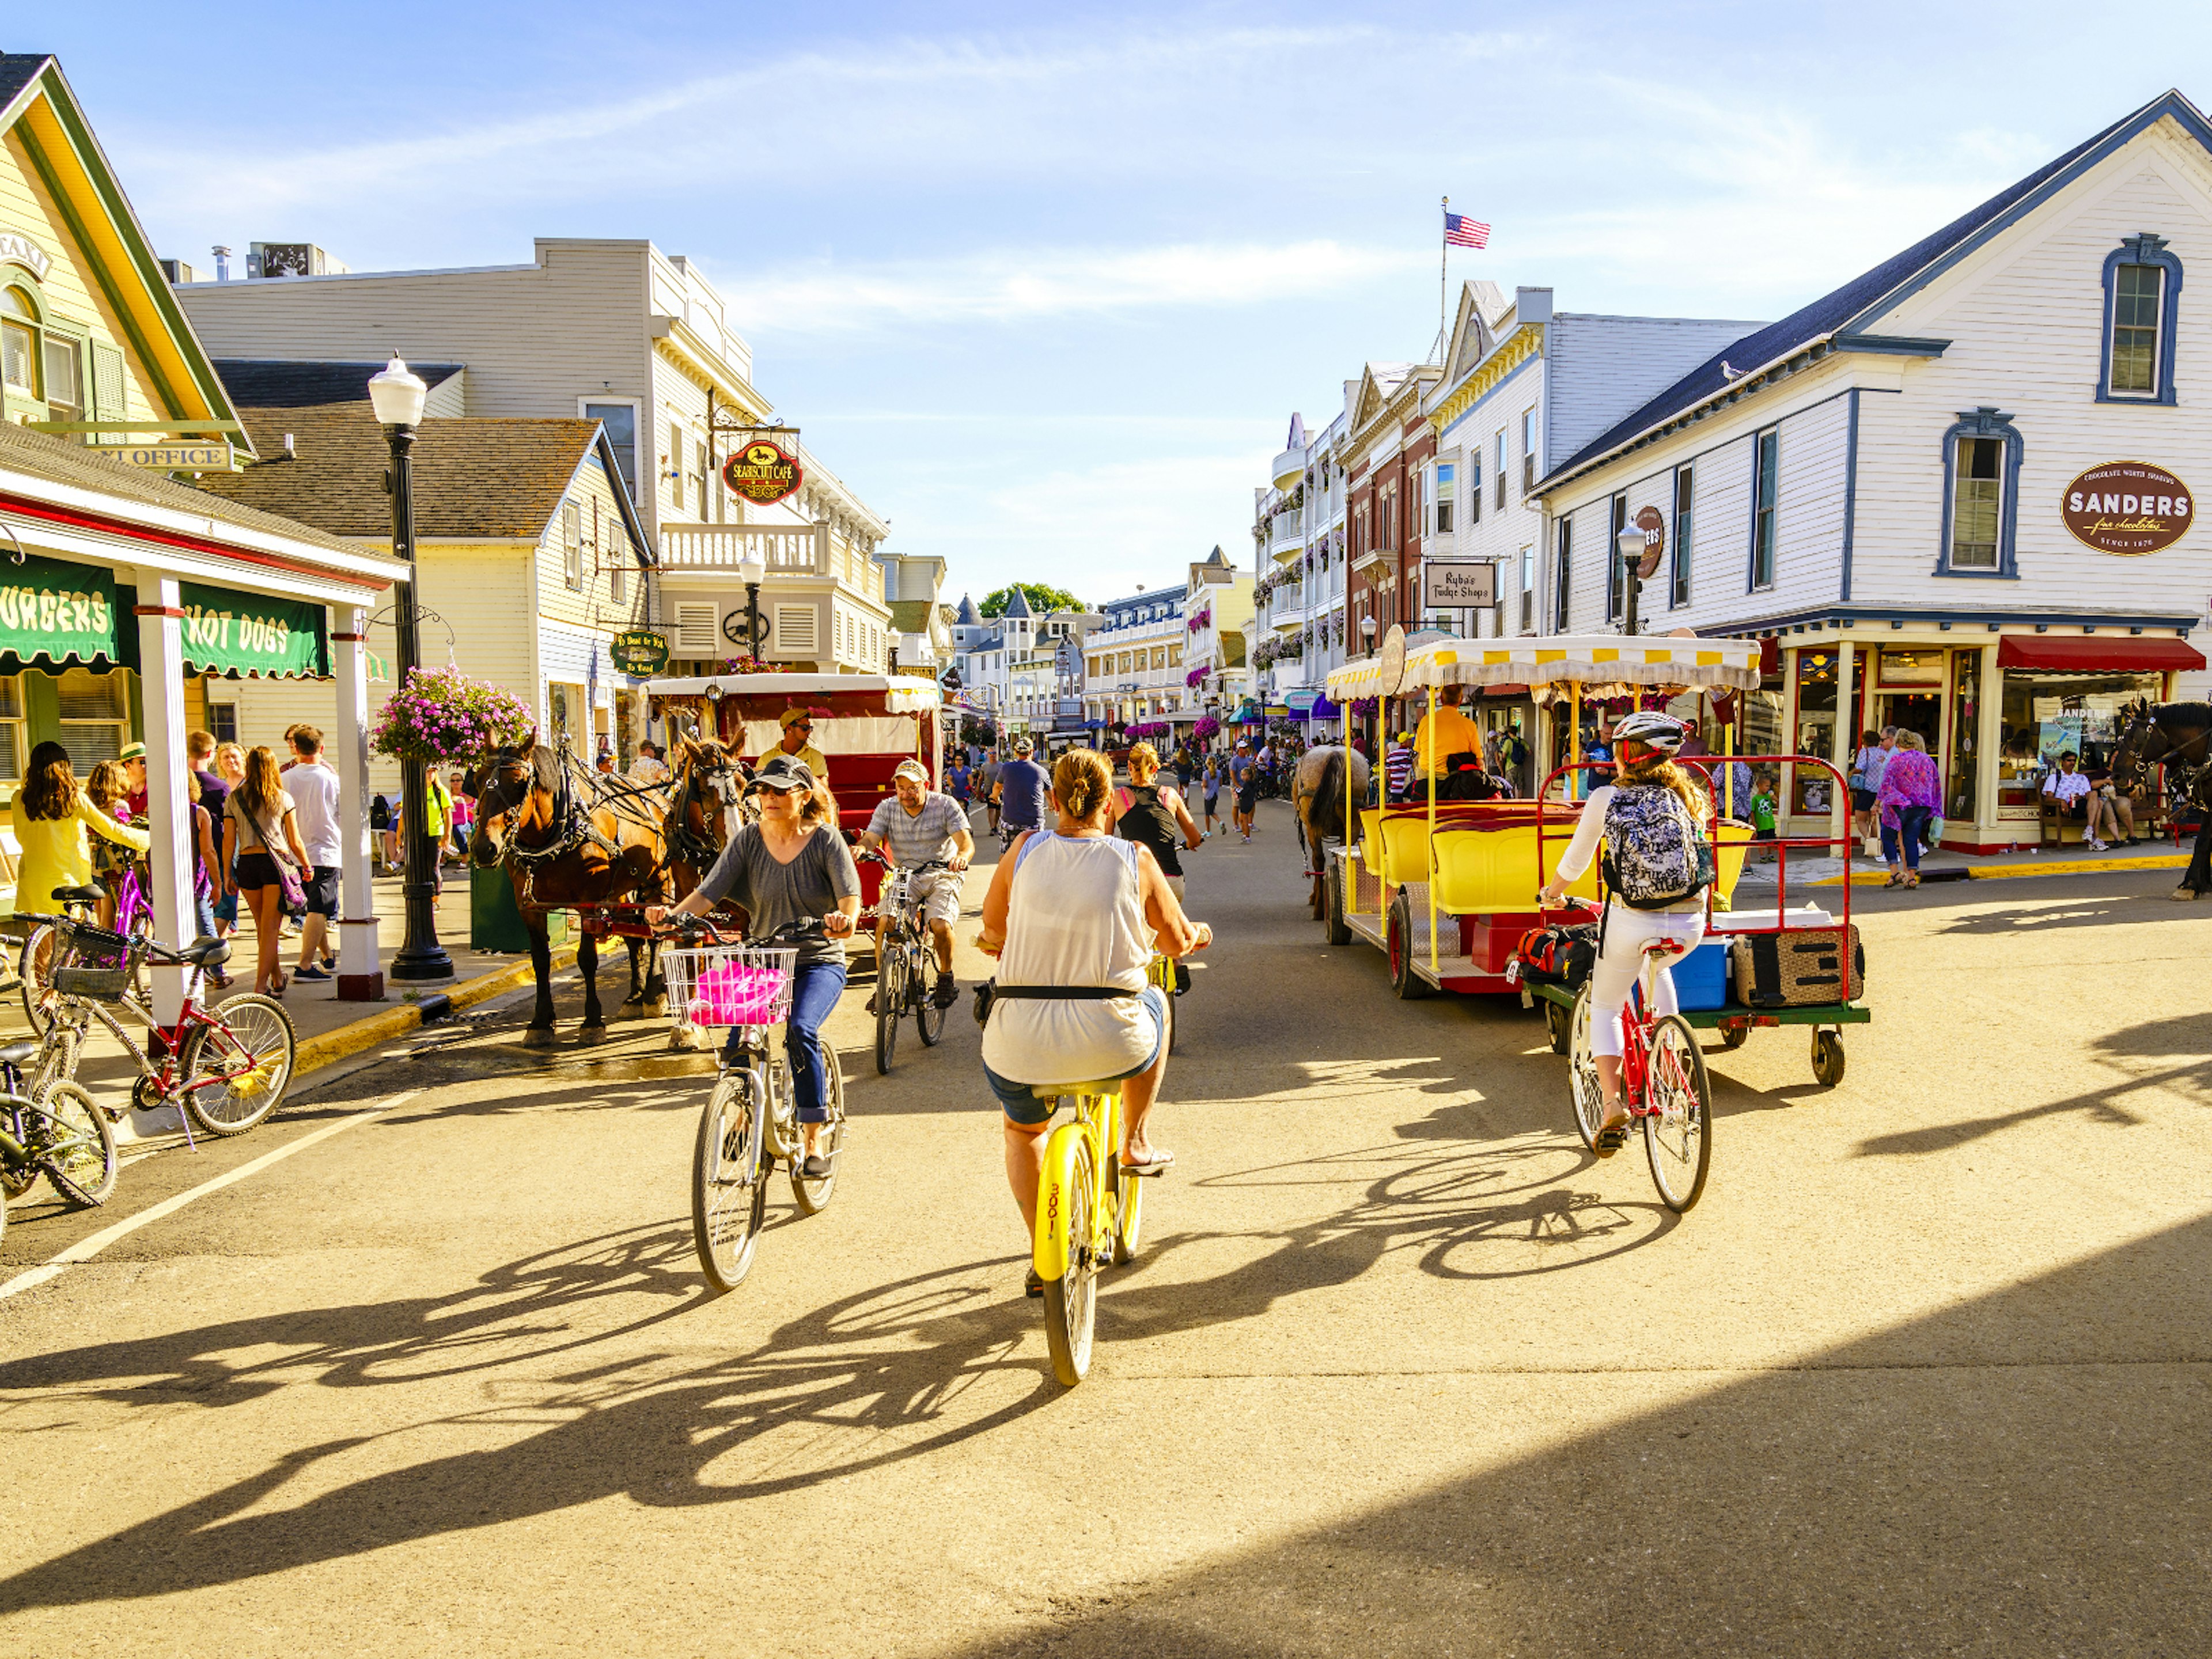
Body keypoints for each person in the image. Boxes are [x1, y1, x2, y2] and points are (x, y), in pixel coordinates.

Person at [976, 748, 1211, 1294]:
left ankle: (1044, 1253)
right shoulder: (1136, 859)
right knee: (1156, 1002)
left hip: (1020, 1040)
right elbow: (1175, 943)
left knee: (1023, 1129)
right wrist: (1197, 934)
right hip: (1113, 1038)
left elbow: (992, 929)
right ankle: (1133, 1139)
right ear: (1111, 806)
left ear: (1051, 801)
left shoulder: (1022, 850)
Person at [649, 755, 859, 1179]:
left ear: (803, 795)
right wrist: (672, 916)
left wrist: (844, 920)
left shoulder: (826, 840)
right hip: (763, 958)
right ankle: (746, 1114)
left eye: (780, 790)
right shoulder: (747, 839)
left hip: (818, 960)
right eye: (763, 790)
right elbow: (708, 894)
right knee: (740, 1042)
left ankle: (813, 1140)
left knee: (801, 1031)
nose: (769, 798)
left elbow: (848, 898)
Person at [1537, 711, 1711, 1156]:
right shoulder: (1689, 796)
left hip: (1633, 919)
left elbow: (1575, 863)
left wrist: (1551, 894)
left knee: (1608, 1005)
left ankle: (1613, 1105)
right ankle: (1670, 1056)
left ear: (1624, 755)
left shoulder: (1606, 798)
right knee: (1659, 965)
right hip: (1691, 920)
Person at [861, 757, 974, 1010]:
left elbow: (966, 843)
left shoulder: (945, 805)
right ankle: (883, 986)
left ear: (926, 785)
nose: (906, 794)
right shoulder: (887, 807)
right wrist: (860, 849)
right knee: (885, 922)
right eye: (901, 788)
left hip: (942, 872)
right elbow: (871, 838)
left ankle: (945, 976)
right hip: (905, 875)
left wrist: (961, 858)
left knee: (940, 924)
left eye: (913, 788)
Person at [9, 742, 148, 924]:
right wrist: (145, 839)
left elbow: (21, 836)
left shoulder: (19, 799)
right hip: (68, 881)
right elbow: (110, 829)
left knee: (40, 945)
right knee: (66, 943)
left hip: (32, 879)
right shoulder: (73, 799)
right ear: (65, 767)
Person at [224, 745, 312, 997]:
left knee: (262, 926)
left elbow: (229, 840)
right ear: (273, 767)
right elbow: (294, 840)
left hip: (247, 864)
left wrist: (228, 873)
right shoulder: (282, 798)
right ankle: (260, 985)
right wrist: (306, 865)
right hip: (275, 864)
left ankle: (276, 978)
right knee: (271, 927)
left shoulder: (234, 799)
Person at [1110, 742, 1204, 900]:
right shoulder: (1170, 795)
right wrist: (1189, 844)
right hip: (1171, 879)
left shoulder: (1118, 797)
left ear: (1130, 766)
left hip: (1137, 879)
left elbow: (1106, 840)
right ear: (1155, 768)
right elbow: (1195, 838)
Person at [285, 726, 343, 981]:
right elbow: (341, 813)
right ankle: (305, 964)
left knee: (313, 909)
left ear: (295, 748)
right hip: (325, 849)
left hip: (293, 851)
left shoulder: (283, 778)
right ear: (322, 749)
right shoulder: (331, 779)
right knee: (319, 909)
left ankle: (327, 956)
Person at [1879, 729, 1942, 885]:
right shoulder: (1928, 760)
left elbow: (1886, 785)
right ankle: (1912, 877)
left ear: (1898, 743)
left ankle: (1895, 872)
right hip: (1921, 805)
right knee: (1911, 840)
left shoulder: (1896, 761)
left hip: (1899, 805)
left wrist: (1882, 802)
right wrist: (1934, 806)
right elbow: (1935, 785)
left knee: (1888, 836)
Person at [84, 760, 137, 930]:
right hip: (115, 860)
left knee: (100, 906)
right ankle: (112, 949)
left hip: (94, 859)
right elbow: (126, 832)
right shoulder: (119, 806)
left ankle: (102, 944)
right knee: (114, 907)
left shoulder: (90, 805)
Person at [1412, 684, 1485, 786]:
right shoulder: (1469, 725)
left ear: (1441, 699)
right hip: (1455, 779)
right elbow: (1479, 759)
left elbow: (1418, 750)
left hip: (1426, 778)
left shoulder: (1426, 721)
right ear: (1461, 700)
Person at [2040, 749, 2104, 851]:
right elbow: (2048, 798)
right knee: (2099, 804)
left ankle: (2089, 829)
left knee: (2096, 798)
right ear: (2062, 762)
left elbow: (2088, 795)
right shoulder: (2055, 777)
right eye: (2069, 760)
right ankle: (2094, 838)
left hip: (2084, 806)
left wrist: (2081, 797)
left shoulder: (2081, 778)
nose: (2072, 763)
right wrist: (2061, 801)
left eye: (2074, 761)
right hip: (2068, 808)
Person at [994, 736, 1051, 840]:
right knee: (1034, 854)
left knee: (1007, 854)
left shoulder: (1006, 768)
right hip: (1034, 822)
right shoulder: (1041, 771)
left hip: (1011, 820)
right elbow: (1050, 794)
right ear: (1032, 752)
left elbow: (997, 787)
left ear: (1016, 752)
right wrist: (1052, 805)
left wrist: (995, 797)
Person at [763, 707, 831, 791]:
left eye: (810, 728)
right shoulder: (766, 758)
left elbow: (822, 791)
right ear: (789, 729)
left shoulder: (816, 757)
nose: (809, 732)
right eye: (805, 728)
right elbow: (761, 789)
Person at [1849, 728, 1892, 857]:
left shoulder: (1865, 752)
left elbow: (1860, 768)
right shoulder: (1884, 753)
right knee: (1875, 820)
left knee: (1860, 819)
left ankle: (1871, 843)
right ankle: (1880, 845)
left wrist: (1850, 773)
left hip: (1867, 790)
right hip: (1881, 791)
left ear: (1864, 742)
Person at [118, 740, 149, 821]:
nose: (147, 765)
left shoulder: (156, 788)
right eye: (143, 762)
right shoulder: (118, 790)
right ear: (128, 766)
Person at [1382, 730, 1415, 805]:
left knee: (1397, 811)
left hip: (1395, 788)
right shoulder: (1410, 754)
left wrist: (1392, 784)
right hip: (1408, 787)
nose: (1411, 742)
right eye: (1410, 740)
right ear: (1405, 742)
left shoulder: (1391, 755)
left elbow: (1388, 774)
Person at [1201, 753, 1225, 838]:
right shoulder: (1219, 772)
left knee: (1207, 814)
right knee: (1212, 811)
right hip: (1215, 794)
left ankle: (1208, 830)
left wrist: (1202, 785)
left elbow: (1205, 784)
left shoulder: (1206, 773)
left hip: (1208, 795)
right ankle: (1220, 822)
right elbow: (1221, 784)